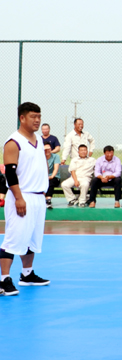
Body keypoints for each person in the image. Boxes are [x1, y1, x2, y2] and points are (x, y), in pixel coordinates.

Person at [0, 102, 51, 297]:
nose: (37, 120)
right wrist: (19, 198)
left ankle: (27, 274)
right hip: (22, 196)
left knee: (31, 238)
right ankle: (4, 279)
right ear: (22, 118)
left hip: (37, 197)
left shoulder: (38, 140)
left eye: (39, 116)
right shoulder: (13, 142)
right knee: (13, 238)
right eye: (33, 116)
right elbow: (10, 173)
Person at [44, 144, 60, 209]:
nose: (47, 151)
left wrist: (52, 176)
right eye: (45, 149)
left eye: (49, 149)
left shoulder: (56, 156)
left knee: (50, 182)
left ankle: (48, 201)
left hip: (54, 177)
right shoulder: (40, 157)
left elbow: (56, 169)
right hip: (43, 177)